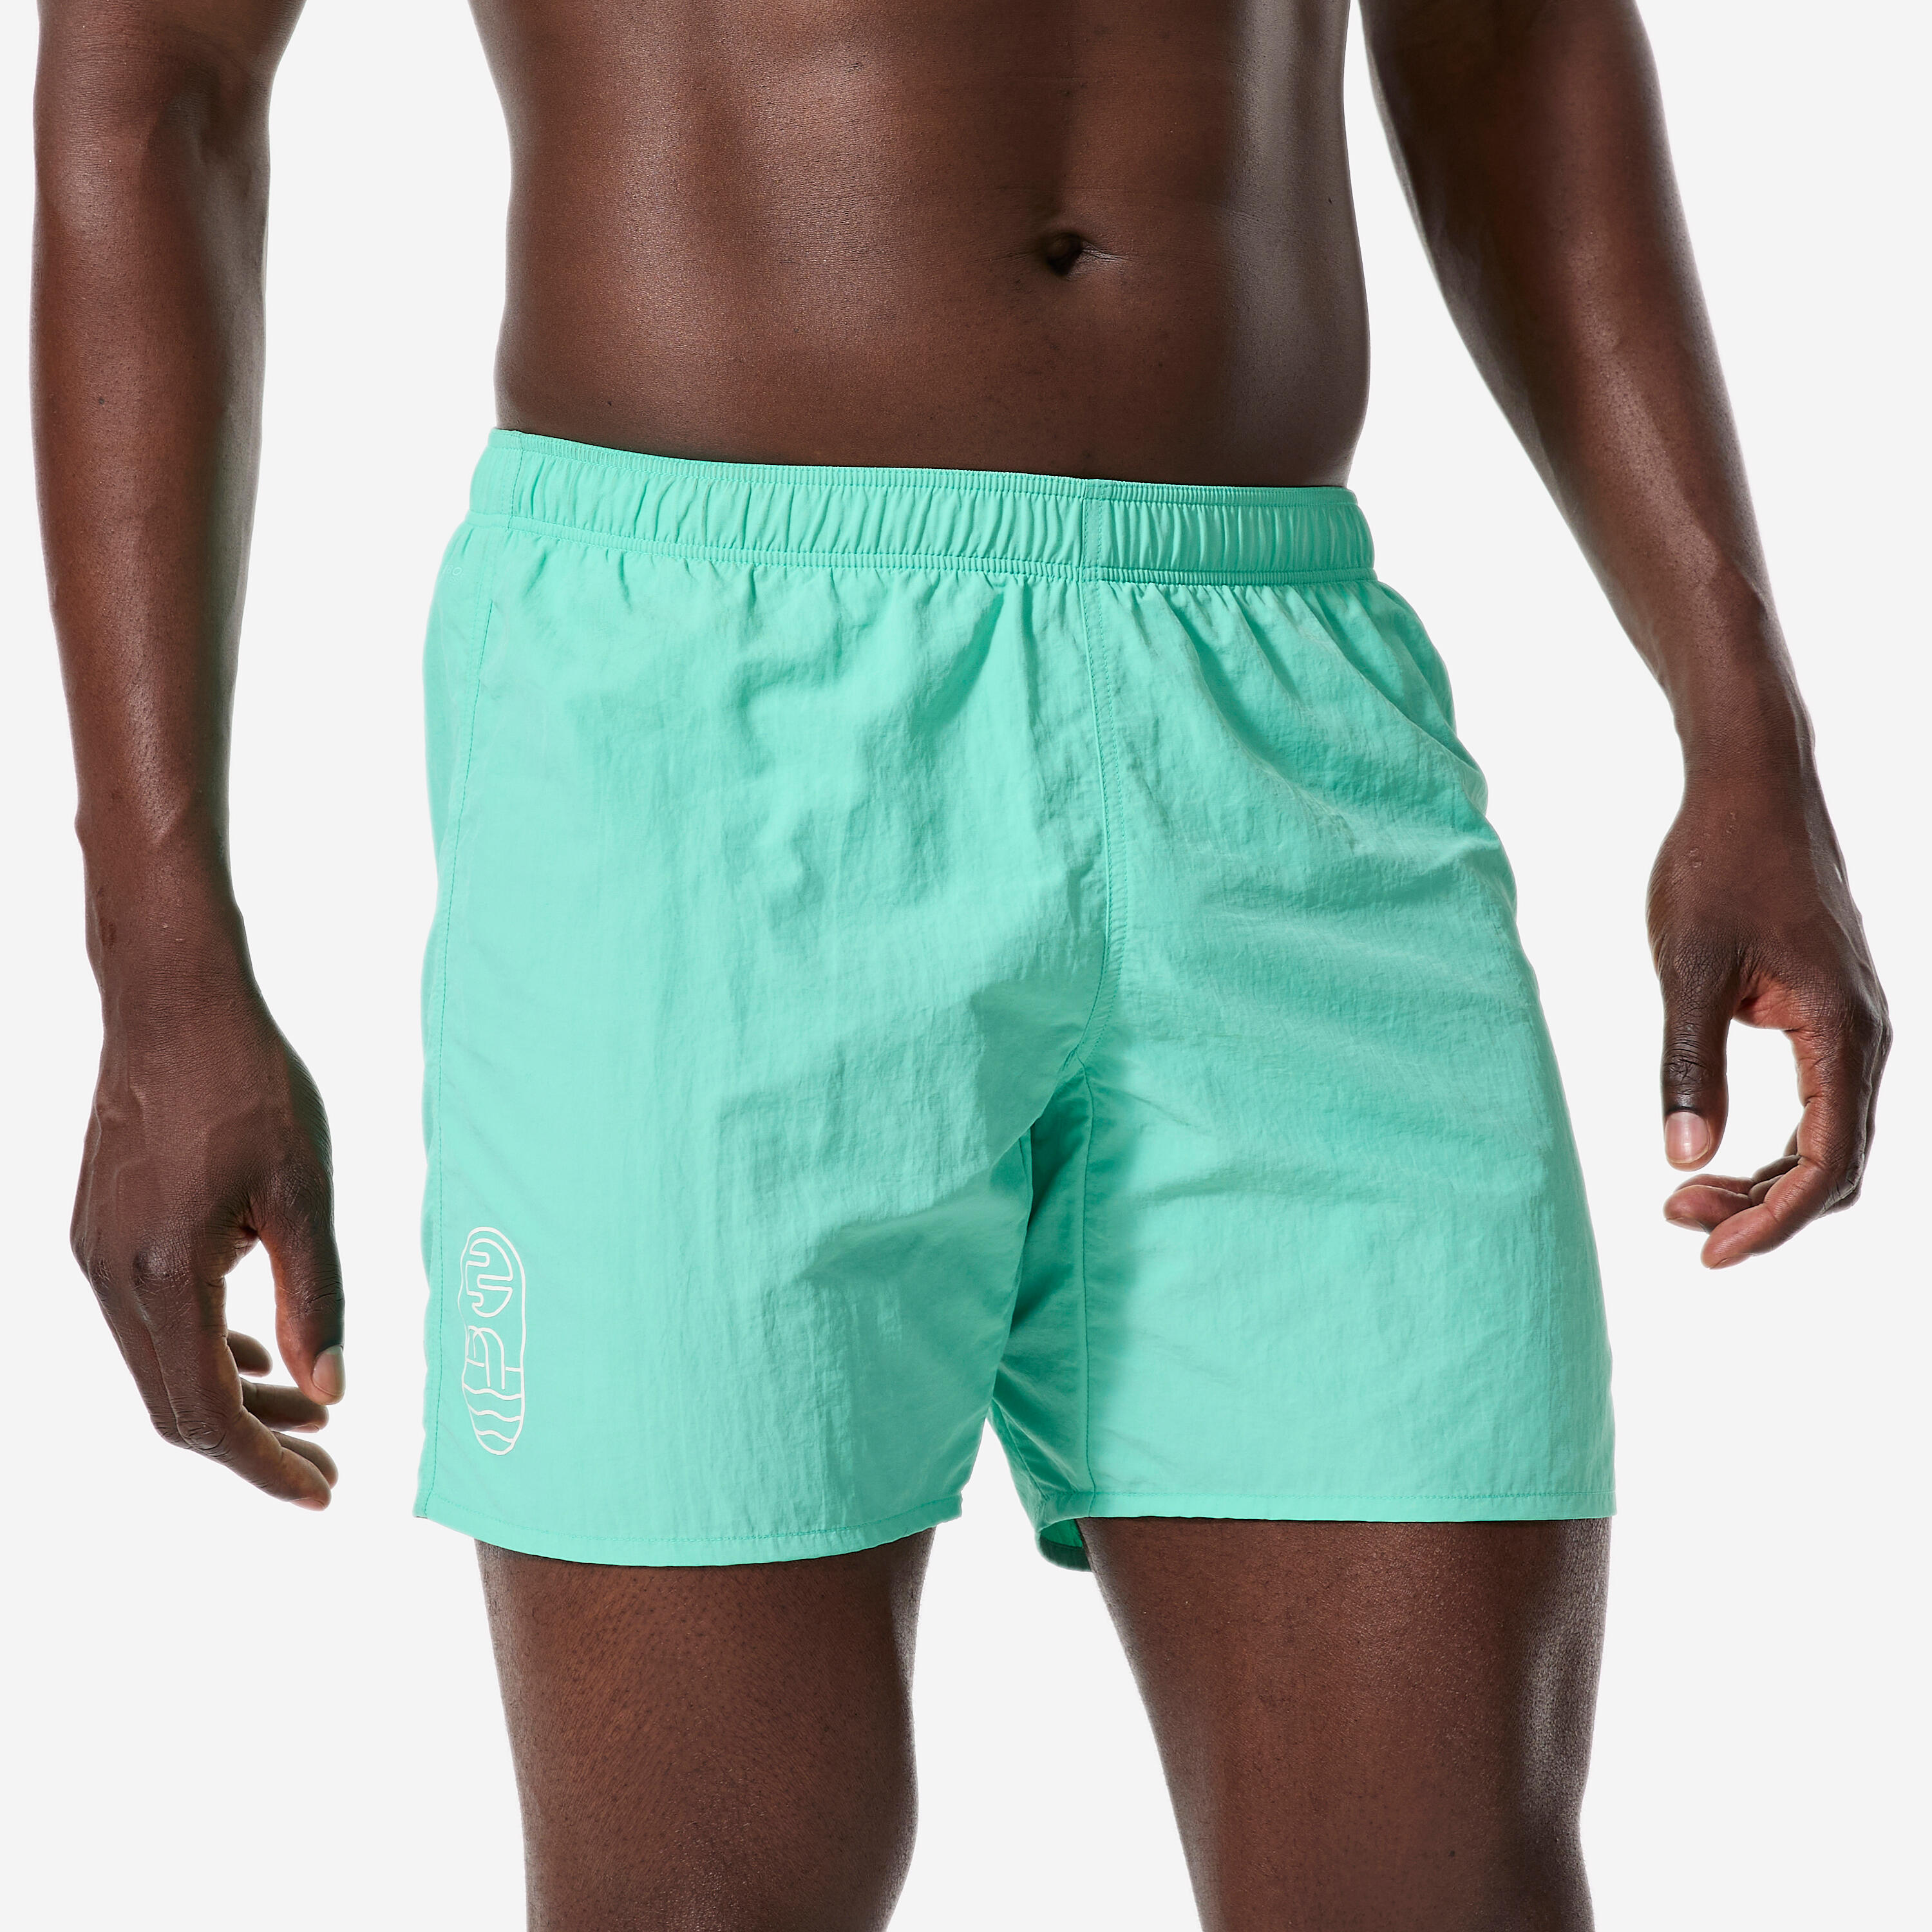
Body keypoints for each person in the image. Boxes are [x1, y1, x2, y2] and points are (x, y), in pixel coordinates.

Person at [33, 1, 1889, 1926]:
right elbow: (154, 75)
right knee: (704, 1901)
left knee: (1449, 1884)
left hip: (1287, 737)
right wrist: (159, 954)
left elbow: (1512, 43)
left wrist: (1744, 729)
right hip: (693, 736)